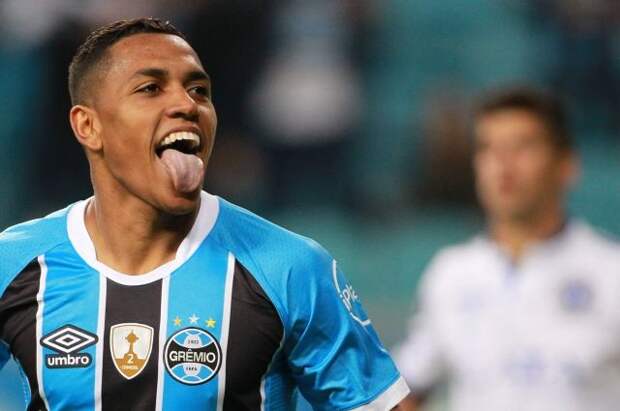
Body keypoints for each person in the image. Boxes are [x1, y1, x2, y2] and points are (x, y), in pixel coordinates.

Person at [0, 18, 414, 411]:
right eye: (150, 88)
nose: (186, 104)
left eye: (198, 90)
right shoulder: (14, 264)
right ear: (88, 126)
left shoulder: (288, 267)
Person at [394, 87, 620, 411]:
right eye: (488, 149)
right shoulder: (452, 273)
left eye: (522, 147)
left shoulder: (611, 271)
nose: (503, 165)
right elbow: (408, 388)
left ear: (566, 164)